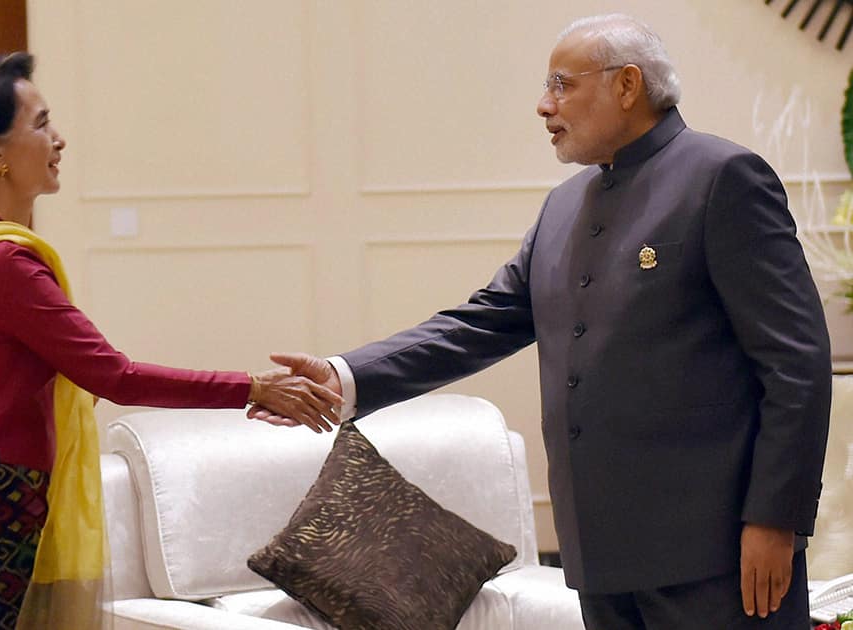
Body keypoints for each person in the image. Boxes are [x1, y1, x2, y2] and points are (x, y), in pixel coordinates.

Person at [252, 13, 832, 629]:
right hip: (601, 556)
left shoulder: (723, 178)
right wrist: (344, 376)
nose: (542, 105)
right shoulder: (563, 206)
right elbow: (480, 323)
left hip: (718, 554)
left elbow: (796, 363)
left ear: (627, 85)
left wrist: (775, 519)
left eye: (561, 84)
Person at [0, 52, 342, 630]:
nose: (59, 141)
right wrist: (257, 388)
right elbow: (114, 375)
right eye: (41, 124)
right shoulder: (2, 262)